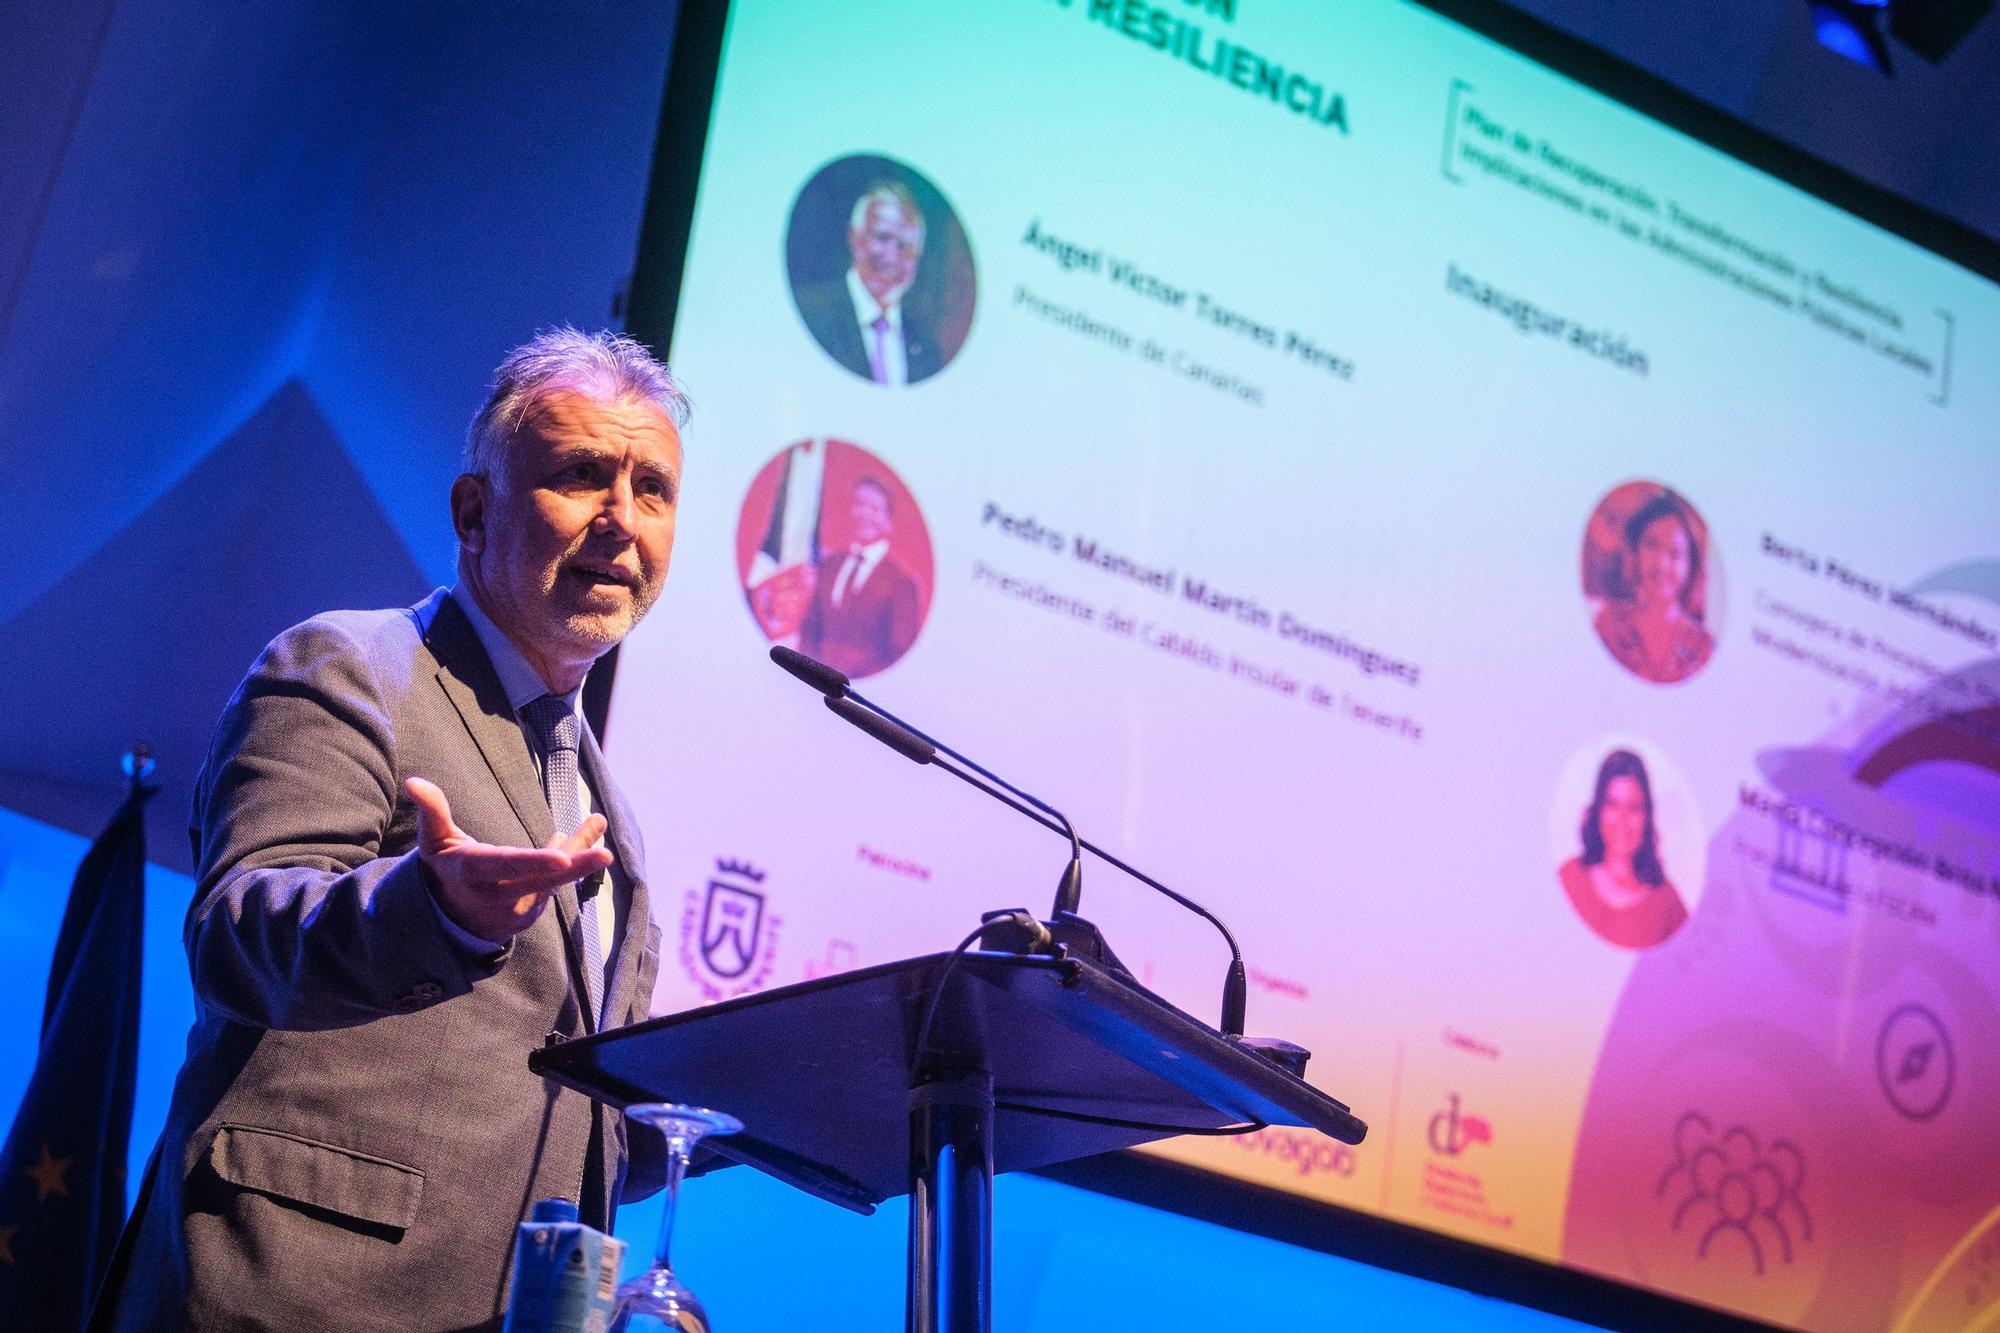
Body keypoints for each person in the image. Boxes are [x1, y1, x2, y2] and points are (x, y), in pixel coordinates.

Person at [95, 329, 688, 1331]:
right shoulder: (346, 668)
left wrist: (745, 1097)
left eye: (653, 489)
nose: (619, 520)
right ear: (473, 511)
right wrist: (434, 911)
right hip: (296, 1291)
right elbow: (241, 933)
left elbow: (567, 1111)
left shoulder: (608, 811)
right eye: (582, 476)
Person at [793, 181, 945, 385]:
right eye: (882, 238)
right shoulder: (812, 313)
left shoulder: (925, 349)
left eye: (905, 245)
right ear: (854, 237)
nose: (892, 257)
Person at [1559, 749, 1690, 949]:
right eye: (1613, 805)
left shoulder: (1667, 904)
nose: (1622, 821)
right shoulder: (1569, 876)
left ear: (1646, 817)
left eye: (1634, 808)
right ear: (1598, 810)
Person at [799, 475, 922, 678]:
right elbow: (810, 629)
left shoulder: (902, 582)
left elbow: (898, 652)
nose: (865, 514)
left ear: (888, 520)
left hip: (859, 693)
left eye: (874, 509)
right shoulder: (830, 565)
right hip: (810, 686)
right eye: (860, 505)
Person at [1591, 490, 1714, 684]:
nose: (1662, 564)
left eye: (1674, 553)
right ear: (1636, 550)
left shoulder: (1703, 649)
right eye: (1652, 545)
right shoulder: (1607, 624)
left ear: (1690, 566)